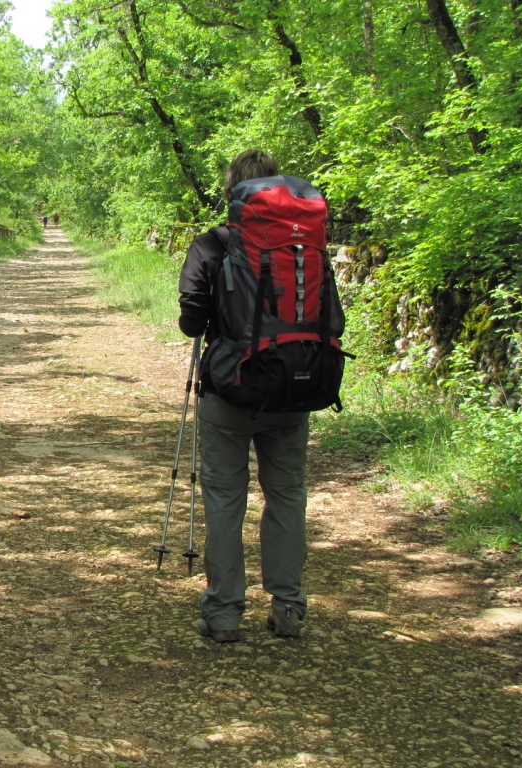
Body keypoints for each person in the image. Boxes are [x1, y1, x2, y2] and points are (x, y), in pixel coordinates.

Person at [177, 149, 310, 643]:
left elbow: (192, 322)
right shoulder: (303, 244)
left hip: (229, 392)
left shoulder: (212, 244)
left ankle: (224, 612)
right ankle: (289, 607)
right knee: (287, 495)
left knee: (225, 498)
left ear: (230, 190)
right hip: (294, 388)